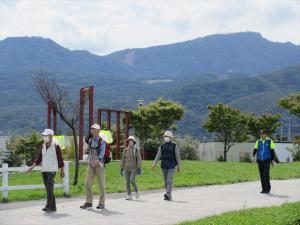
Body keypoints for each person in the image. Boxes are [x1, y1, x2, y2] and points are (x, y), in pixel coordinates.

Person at [27, 128, 65, 212]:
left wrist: (62, 171)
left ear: (51, 136)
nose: (44, 137)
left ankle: (48, 205)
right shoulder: (43, 146)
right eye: (43, 135)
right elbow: (39, 158)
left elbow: (60, 159)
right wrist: (32, 167)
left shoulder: (56, 146)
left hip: (52, 169)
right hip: (44, 169)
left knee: (49, 187)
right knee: (48, 188)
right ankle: (53, 207)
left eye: (45, 135)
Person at [80, 124, 106, 209]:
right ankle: (88, 202)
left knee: (101, 184)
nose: (93, 131)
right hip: (91, 164)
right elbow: (89, 151)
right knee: (87, 183)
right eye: (92, 129)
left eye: (94, 129)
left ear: (98, 131)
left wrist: (98, 160)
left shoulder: (102, 141)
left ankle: (102, 203)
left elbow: (102, 152)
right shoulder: (90, 140)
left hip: (99, 164)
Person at [152, 131, 181, 201]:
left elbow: (177, 156)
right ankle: (168, 195)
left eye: (167, 136)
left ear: (170, 138)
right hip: (164, 165)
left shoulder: (174, 145)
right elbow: (158, 155)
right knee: (165, 181)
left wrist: (178, 166)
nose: (166, 138)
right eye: (165, 136)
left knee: (169, 180)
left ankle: (168, 193)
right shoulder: (162, 146)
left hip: (171, 165)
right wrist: (154, 163)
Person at [252, 129, 276, 194]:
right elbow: (255, 149)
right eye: (260, 134)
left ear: (266, 134)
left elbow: (272, 151)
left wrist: (273, 160)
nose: (261, 135)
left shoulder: (269, 141)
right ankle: (263, 189)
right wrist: (253, 156)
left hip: (267, 160)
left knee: (266, 174)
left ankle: (268, 189)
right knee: (261, 175)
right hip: (259, 160)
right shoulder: (258, 141)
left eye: (262, 133)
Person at [120, 136, 142, 200]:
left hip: (134, 168)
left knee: (132, 180)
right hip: (126, 168)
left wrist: (138, 168)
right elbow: (123, 159)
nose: (130, 142)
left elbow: (139, 159)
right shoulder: (125, 150)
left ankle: (137, 191)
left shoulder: (136, 150)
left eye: (131, 141)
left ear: (134, 142)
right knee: (127, 182)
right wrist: (121, 168)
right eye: (129, 141)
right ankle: (129, 195)